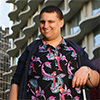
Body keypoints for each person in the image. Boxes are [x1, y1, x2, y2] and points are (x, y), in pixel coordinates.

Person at [9, 5, 99, 100]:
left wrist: (87, 70)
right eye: (42, 22)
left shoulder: (76, 51)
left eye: (50, 21)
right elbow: (16, 83)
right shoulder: (30, 51)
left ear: (61, 22)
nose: (45, 26)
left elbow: (96, 80)